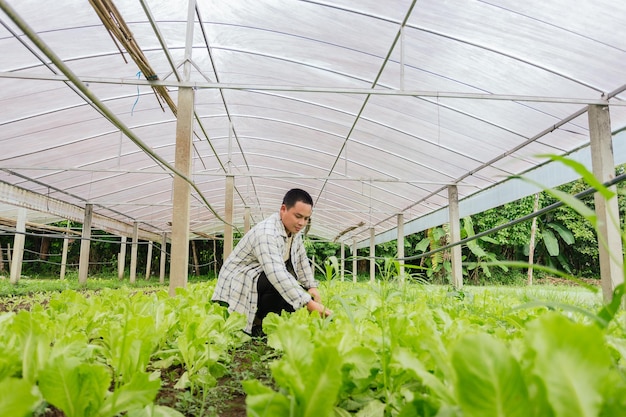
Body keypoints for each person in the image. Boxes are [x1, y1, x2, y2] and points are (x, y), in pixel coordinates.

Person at [212, 188, 332, 337]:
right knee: (282, 285)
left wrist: (311, 287)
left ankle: (266, 318)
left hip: (259, 278)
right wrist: (311, 305)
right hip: (239, 282)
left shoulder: (294, 233)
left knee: (296, 295)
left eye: (306, 219)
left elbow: (301, 261)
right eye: (298, 216)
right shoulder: (267, 233)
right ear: (283, 209)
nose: (302, 223)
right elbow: (277, 274)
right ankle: (259, 323)